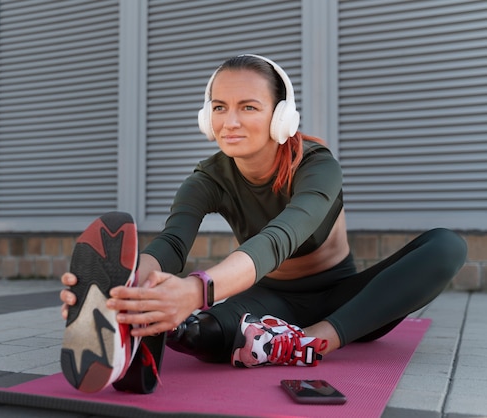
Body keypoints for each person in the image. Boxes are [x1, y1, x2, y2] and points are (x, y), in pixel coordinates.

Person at [60, 54, 467, 388]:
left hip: (348, 300)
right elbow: (171, 245)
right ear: (207, 116)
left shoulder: (317, 166)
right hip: (269, 301)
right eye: (219, 107)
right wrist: (124, 285)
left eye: (248, 107)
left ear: (281, 116)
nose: (229, 122)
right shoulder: (207, 178)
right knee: (198, 333)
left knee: (448, 246)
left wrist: (197, 289)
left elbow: (277, 239)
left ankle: (312, 342)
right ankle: (143, 324)